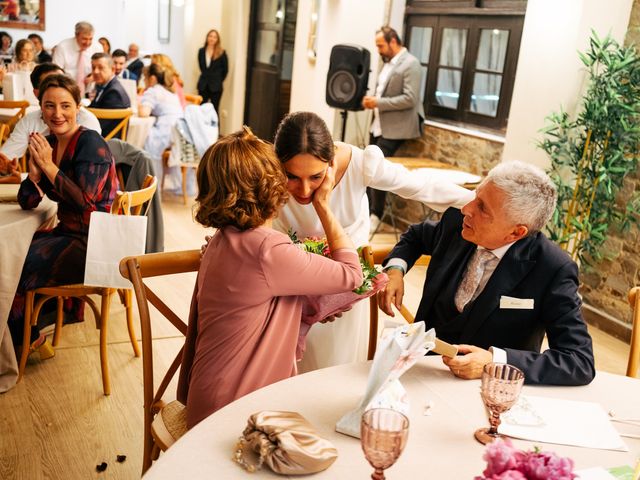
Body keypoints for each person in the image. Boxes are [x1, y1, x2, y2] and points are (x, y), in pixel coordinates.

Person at [177, 127, 363, 428]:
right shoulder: (267, 248)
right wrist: (324, 206)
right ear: (269, 186)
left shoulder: (219, 241)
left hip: (206, 396)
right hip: (239, 410)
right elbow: (352, 275)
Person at [272, 111, 473, 372]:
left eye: (316, 177)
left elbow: (421, 186)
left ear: (332, 161)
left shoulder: (360, 163)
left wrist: (480, 201)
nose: (306, 190)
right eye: (292, 177)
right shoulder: (267, 170)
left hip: (346, 295)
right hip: (292, 293)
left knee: (337, 368)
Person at [379, 161, 596, 386]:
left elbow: (579, 361)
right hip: (416, 370)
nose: (467, 209)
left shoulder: (552, 268)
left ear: (516, 232)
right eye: (475, 196)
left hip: (489, 391)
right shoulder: (458, 222)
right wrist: (395, 270)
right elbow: (416, 236)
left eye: (482, 208)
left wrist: (495, 362)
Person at [6, 73, 117, 357]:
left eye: (65, 105)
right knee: (8, 255)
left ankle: (26, 341)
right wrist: (33, 174)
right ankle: (26, 335)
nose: (58, 114)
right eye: (50, 105)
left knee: (11, 266)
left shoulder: (91, 143)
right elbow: (28, 202)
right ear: (40, 109)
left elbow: (85, 202)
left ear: (78, 107)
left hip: (94, 244)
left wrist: (48, 166)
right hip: (67, 234)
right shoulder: (48, 144)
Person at [362, 26, 425, 233]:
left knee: (378, 171)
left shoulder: (411, 64)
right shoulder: (387, 64)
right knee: (368, 168)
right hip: (379, 126)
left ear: (393, 41)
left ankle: (375, 216)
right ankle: (368, 211)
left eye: (381, 45)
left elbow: (410, 98)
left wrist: (378, 102)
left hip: (396, 129)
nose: (379, 50)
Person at [0, 63, 101, 161]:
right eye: (49, 85)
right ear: (37, 94)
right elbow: (6, 156)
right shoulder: (30, 120)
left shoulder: (88, 124)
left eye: (63, 82)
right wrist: (6, 166)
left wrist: (46, 166)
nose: (59, 88)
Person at [138, 63, 183, 180]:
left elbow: (144, 113)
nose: (144, 80)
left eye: (145, 77)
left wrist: (138, 106)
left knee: (141, 140)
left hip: (165, 131)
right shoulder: (170, 92)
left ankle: (147, 180)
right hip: (179, 132)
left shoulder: (153, 91)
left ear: (152, 79)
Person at [52, 21, 102, 97]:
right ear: (76, 35)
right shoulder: (63, 47)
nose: (88, 42)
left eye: (90, 39)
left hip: (90, 91)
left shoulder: (97, 47)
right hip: (66, 89)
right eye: (84, 39)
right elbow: (55, 71)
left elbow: (103, 68)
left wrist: (94, 76)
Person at [87, 52, 131, 136]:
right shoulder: (104, 86)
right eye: (93, 68)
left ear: (113, 69)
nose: (95, 71)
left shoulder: (114, 93)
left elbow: (96, 125)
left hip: (106, 143)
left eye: (100, 68)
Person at [196, 29, 228, 113]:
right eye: (210, 36)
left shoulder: (222, 53)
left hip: (216, 87)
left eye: (214, 37)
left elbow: (225, 70)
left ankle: (215, 127)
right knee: (201, 110)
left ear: (217, 40)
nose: (212, 38)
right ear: (207, 37)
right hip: (203, 86)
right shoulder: (201, 51)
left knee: (214, 111)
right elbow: (201, 67)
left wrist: (217, 80)